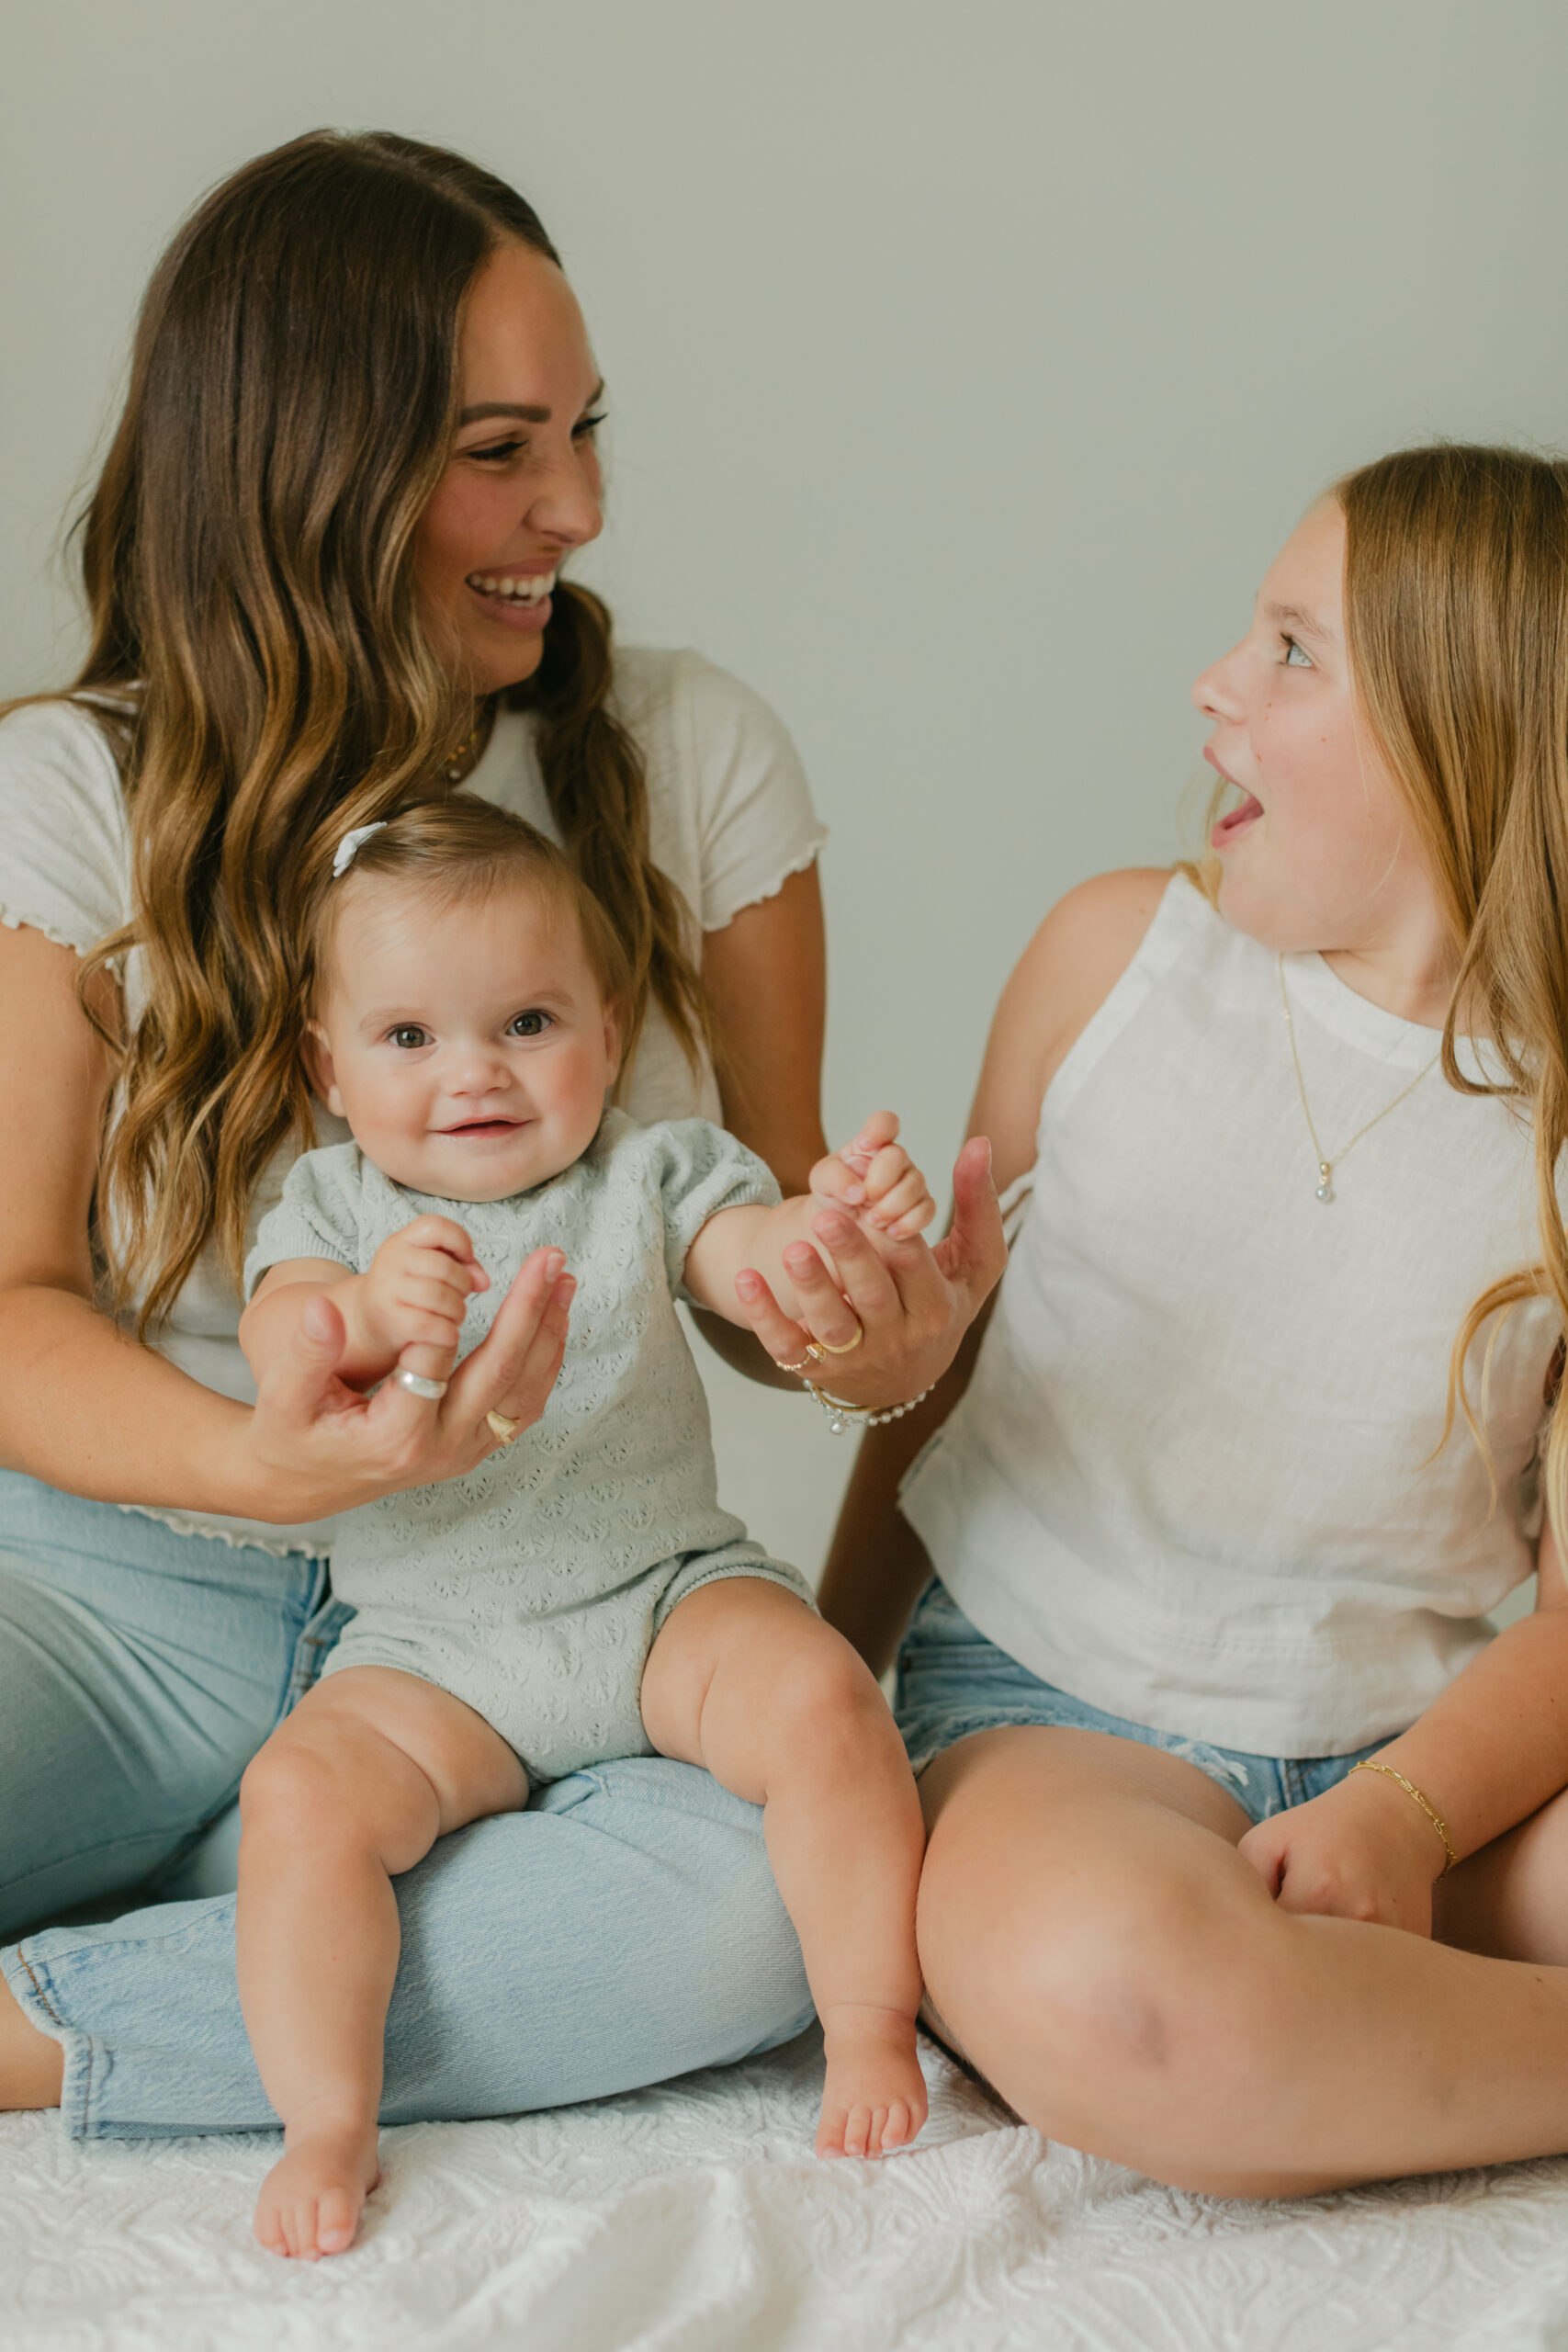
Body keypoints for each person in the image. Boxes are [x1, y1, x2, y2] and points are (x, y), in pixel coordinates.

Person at [0, 130, 1003, 2139]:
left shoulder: (690, 750)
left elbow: (748, 1239)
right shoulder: (75, 789)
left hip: (557, 1615)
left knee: (757, 1909)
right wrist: (267, 1461)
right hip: (124, 1600)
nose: (579, 507)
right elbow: (15, 1302)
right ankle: (270, 1895)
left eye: (585, 432)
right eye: (496, 448)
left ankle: (66, 2013)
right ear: (305, 467)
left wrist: (858, 1330)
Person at [822, 444, 1568, 2197]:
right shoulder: (1113, 964)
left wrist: (1409, 1813)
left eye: (1296, 651)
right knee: (1122, 1996)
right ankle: (1326, 2023)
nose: (1216, 685)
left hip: (1425, 1757)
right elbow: (940, 1385)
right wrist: (826, 1686)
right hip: (1049, 1717)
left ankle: (1352, 2000)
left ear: (1469, 738)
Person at [237, 798, 932, 2256]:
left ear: (608, 1037)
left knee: (819, 1690)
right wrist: (362, 1314)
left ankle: (871, 2022)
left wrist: (827, 1244)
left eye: (529, 1022)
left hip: (662, 1596)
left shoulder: (652, 1173)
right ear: (329, 1067)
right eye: (410, 1038)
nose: (475, 1072)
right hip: (437, 1655)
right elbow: (283, 1343)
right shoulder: (332, 1206)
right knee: (299, 1802)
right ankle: (326, 2115)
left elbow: (745, 1264)